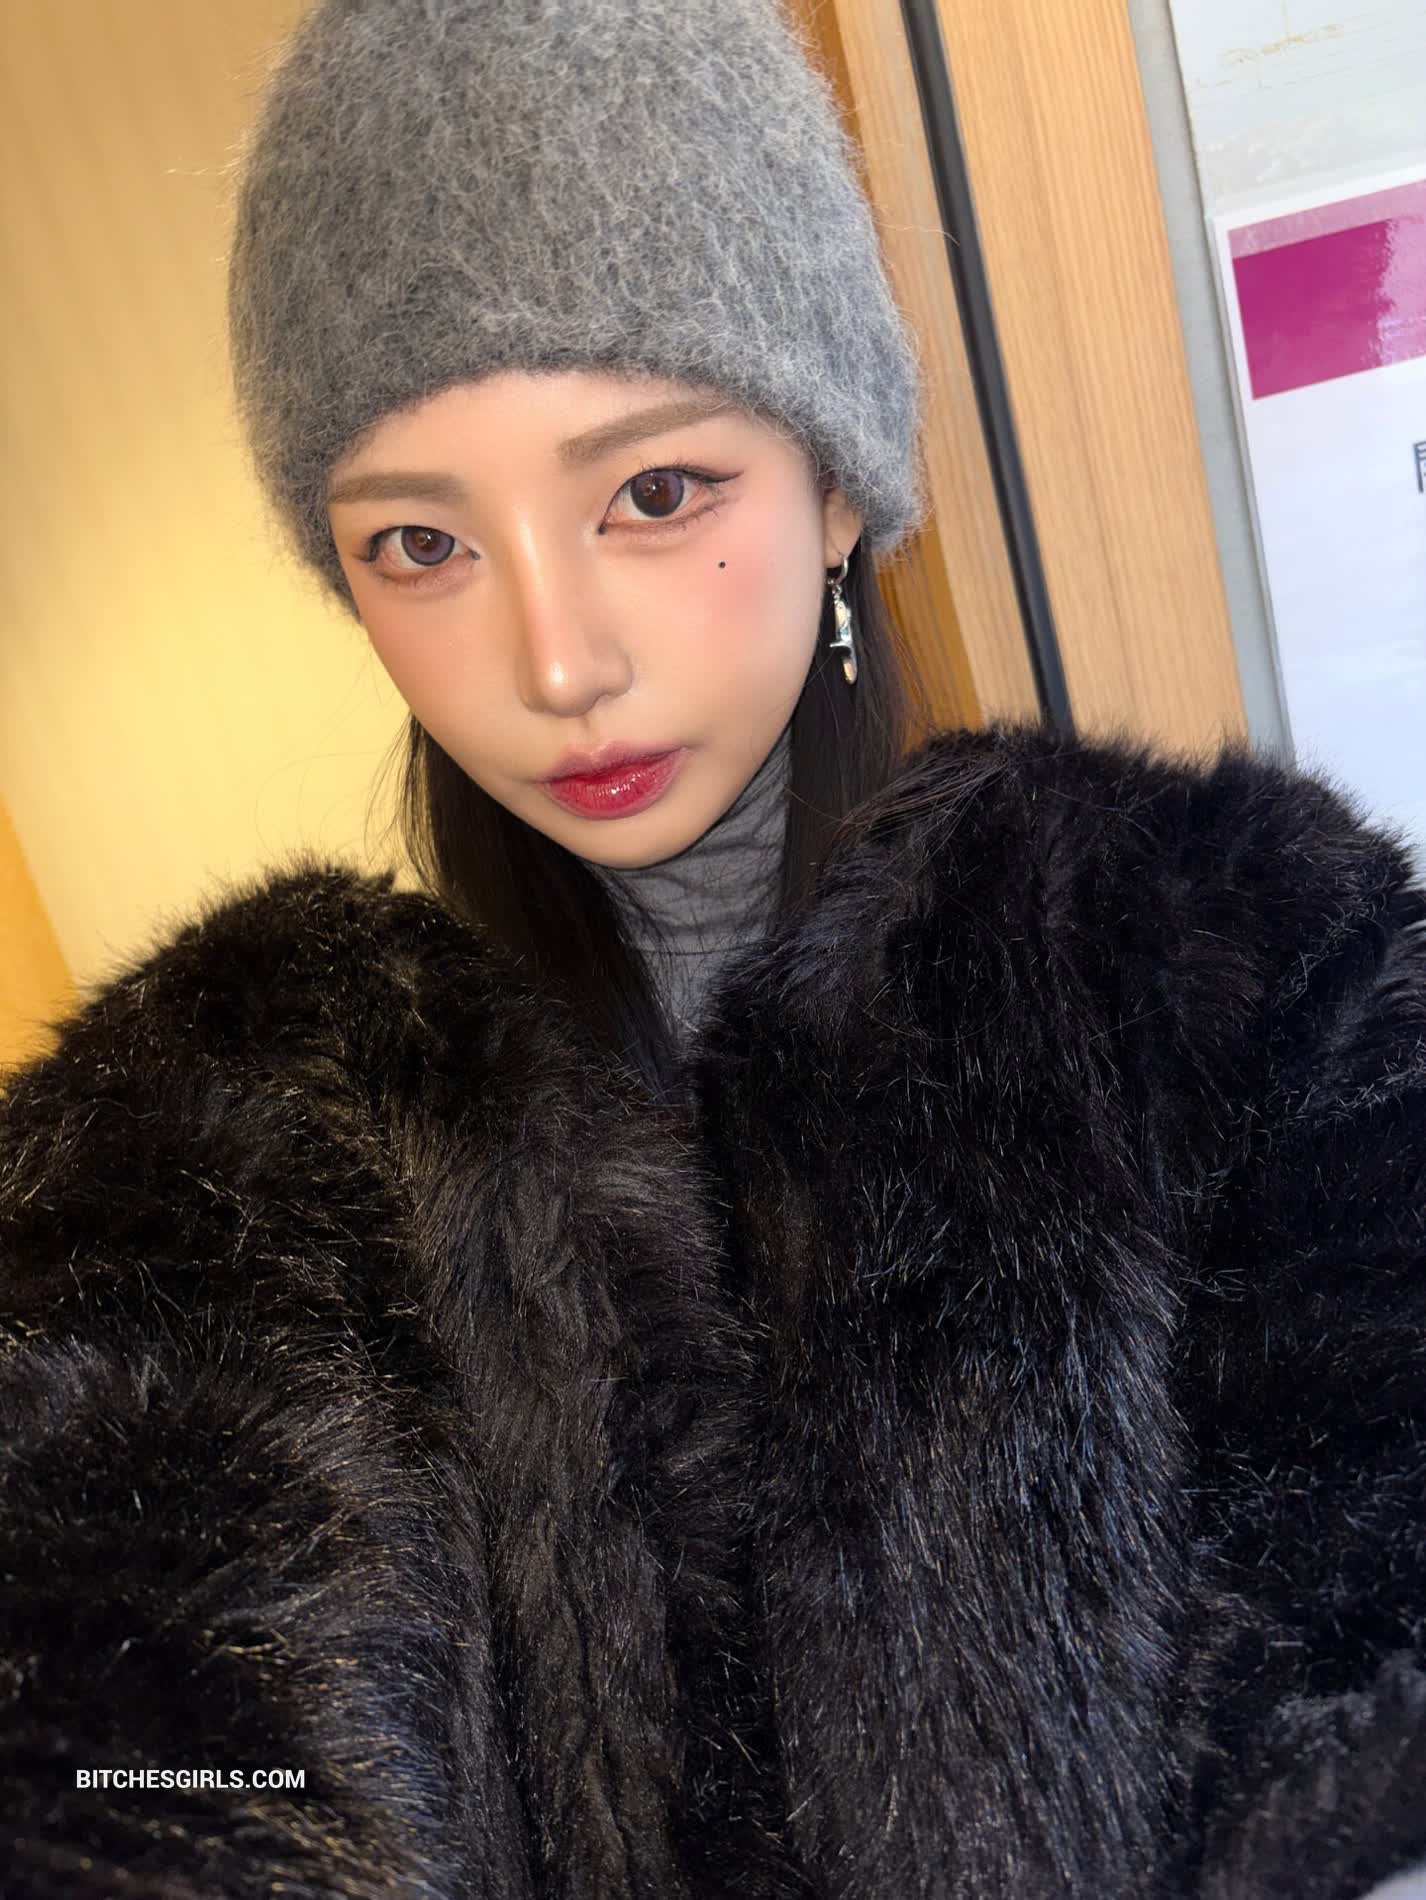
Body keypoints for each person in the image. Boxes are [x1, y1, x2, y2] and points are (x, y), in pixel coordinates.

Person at [2, 0, 1423, 1894]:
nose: (555, 660)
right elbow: (128, 1747)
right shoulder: (232, 1133)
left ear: (834, 484)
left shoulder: (1236, 963)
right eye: (420, 545)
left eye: (653, 495)